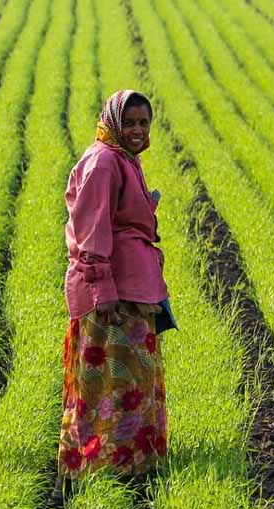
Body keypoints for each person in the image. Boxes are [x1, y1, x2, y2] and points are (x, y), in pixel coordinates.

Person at [58, 89, 174, 480]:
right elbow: (90, 232)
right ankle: (98, 465)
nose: (138, 130)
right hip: (112, 296)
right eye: (130, 122)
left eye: (144, 123)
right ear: (112, 122)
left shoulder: (124, 158)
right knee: (105, 383)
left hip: (133, 289)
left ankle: (129, 463)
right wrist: (102, 291)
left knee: (131, 381)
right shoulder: (104, 163)